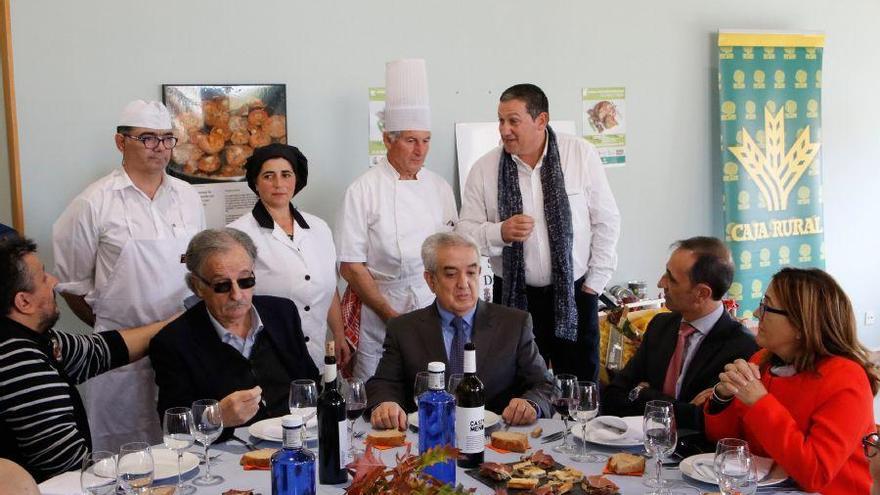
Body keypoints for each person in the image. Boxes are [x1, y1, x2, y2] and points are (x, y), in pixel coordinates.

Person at [52, 100, 206, 450]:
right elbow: (73, 286)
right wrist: (115, 328)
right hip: (119, 356)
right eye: (148, 138)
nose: (160, 148)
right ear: (121, 142)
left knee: (183, 445)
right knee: (124, 453)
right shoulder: (93, 203)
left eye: (167, 139)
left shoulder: (188, 196)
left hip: (183, 345)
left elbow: (199, 266)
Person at [457, 83, 620, 382]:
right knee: (516, 388)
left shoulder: (580, 154)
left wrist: (594, 284)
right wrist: (500, 232)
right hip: (514, 298)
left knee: (580, 387)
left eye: (513, 121)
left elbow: (606, 221)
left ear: (541, 121)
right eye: (501, 120)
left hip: (575, 294)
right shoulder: (484, 169)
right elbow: (465, 233)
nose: (504, 130)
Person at [0, 237, 170, 482]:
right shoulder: (20, 361)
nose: (54, 282)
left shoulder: (33, 338)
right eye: (44, 277)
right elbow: (70, 469)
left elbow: (102, 350)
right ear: (23, 301)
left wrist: (180, 321)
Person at [706, 268, 878, 495]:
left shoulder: (846, 379)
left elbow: (814, 474)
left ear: (800, 324)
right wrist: (722, 397)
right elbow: (729, 445)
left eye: (767, 306)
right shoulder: (762, 361)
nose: (757, 312)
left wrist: (760, 402)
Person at [336, 59, 457, 381]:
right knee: (380, 393)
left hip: (433, 306)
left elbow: (452, 251)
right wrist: (391, 316)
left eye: (426, 140)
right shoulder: (363, 189)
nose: (420, 150)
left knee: (433, 388)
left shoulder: (440, 187)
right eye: (410, 140)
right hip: (383, 308)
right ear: (388, 140)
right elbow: (351, 266)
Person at [367, 232, 553, 431]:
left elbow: (545, 385)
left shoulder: (514, 324)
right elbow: (383, 384)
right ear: (431, 280)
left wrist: (531, 404)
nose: (463, 284)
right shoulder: (403, 328)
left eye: (471, 273)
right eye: (451, 274)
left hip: (496, 441)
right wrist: (385, 404)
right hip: (429, 442)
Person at [150, 228, 319, 438]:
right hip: (227, 456)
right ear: (197, 286)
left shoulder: (282, 313)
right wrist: (215, 417)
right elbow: (175, 428)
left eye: (246, 280)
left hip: (296, 440)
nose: (237, 295)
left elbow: (310, 384)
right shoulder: (173, 342)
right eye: (222, 285)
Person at [602, 237, 758, 431]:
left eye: (671, 279)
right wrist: (676, 406)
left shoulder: (742, 347)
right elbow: (612, 397)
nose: (660, 283)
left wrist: (642, 393)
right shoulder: (660, 326)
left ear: (702, 293)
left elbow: (701, 422)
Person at [228, 143, 349, 371]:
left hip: (316, 350)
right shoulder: (237, 234)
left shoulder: (319, 228)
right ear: (255, 182)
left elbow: (328, 286)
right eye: (268, 176)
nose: (278, 184)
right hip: (267, 357)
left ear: (297, 179)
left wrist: (339, 334)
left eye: (286, 175)